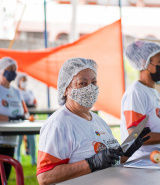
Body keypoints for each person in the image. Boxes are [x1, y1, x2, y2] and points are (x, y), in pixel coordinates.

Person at [37, 57, 151, 185]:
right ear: (65, 89)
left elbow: (108, 162)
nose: (90, 88)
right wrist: (90, 164)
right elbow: (44, 177)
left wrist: (126, 153)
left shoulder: (98, 121)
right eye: (82, 83)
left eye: (94, 82)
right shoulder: (58, 125)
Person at [0, 57, 28, 183]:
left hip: (12, 140)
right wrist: (10, 118)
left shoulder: (16, 92)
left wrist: (23, 117)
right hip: (0, 139)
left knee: (5, 176)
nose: (12, 71)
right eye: (9, 69)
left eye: (14, 69)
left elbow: (25, 111)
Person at [16, 73, 37, 165]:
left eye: (25, 81)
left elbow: (35, 102)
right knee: (19, 139)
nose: (24, 82)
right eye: (22, 80)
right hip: (19, 118)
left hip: (29, 117)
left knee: (31, 138)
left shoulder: (30, 92)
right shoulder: (16, 92)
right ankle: (18, 158)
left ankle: (33, 159)